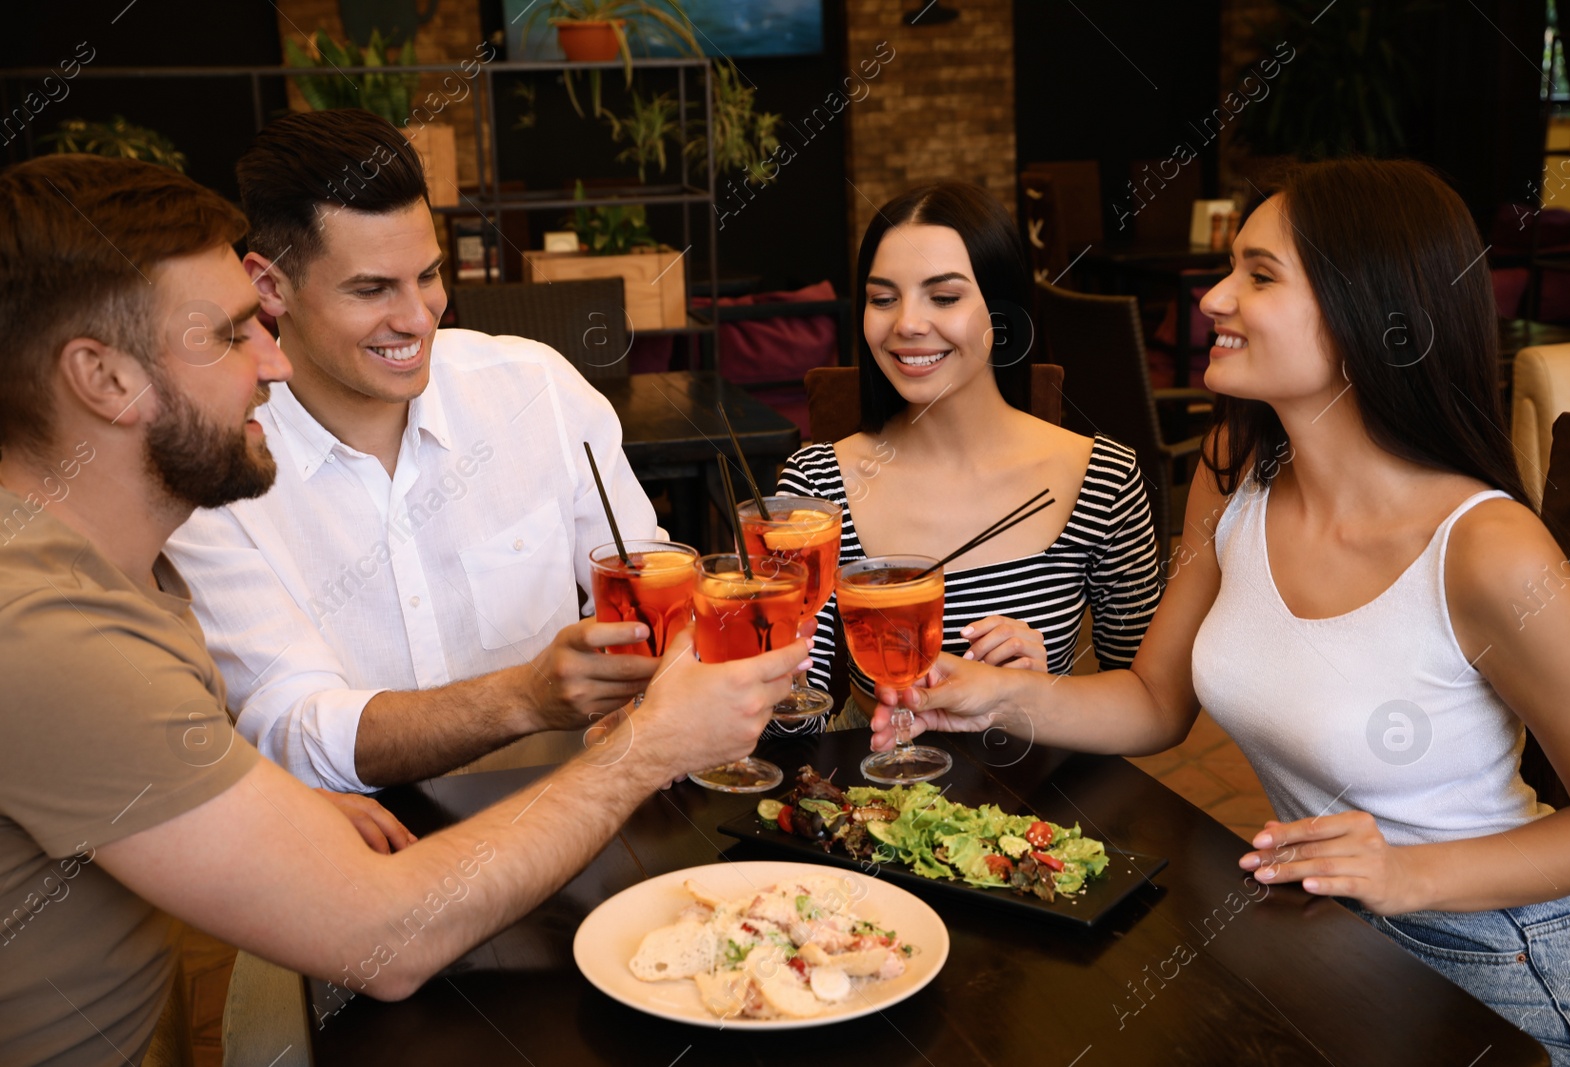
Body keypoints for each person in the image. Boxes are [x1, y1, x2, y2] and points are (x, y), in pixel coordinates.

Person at [0, 153, 806, 1067]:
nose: (273, 361)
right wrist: (646, 746)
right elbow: (382, 939)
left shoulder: (102, 575)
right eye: (231, 336)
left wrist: (267, 805)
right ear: (103, 379)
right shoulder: (45, 626)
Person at [865, 159, 1570, 1062]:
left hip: (1492, 967)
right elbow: (1154, 700)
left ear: (1368, 312)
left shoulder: (1486, 547)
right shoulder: (1233, 470)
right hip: (1323, 937)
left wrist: (1411, 871)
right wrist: (990, 694)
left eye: (1259, 275)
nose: (1213, 299)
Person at [165, 109, 662, 793]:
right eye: (372, 289)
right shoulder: (218, 465)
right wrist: (525, 696)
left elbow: (651, 590)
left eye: (427, 276)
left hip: (570, 811)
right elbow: (294, 726)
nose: (418, 318)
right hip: (360, 854)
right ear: (270, 286)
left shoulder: (535, 388)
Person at [777, 181, 1163, 732]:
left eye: (944, 297)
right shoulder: (816, 483)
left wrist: (1034, 694)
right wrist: (747, 651)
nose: (907, 323)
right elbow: (794, 725)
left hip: (1038, 807)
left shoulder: (1103, 479)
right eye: (883, 298)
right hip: (874, 796)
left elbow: (1147, 705)